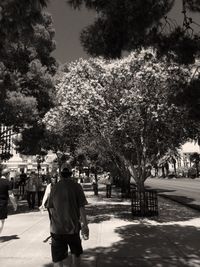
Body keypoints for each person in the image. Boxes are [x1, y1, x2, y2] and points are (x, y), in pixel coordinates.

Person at [48, 167, 89, 267]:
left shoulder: (54, 187)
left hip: (57, 229)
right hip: (73, 228)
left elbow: (50, 208)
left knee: (58, 259)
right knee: (76, 254)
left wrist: (54, 221)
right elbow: (81, 208)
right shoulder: (77, 186)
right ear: (71, 174)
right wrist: (85, 226)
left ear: (60, 175)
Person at [0, 169, 17, 235]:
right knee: (1, 221)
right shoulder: (8, 182)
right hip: (2, 203)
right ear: (7, 174)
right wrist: (14, 204)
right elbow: (11, 195)